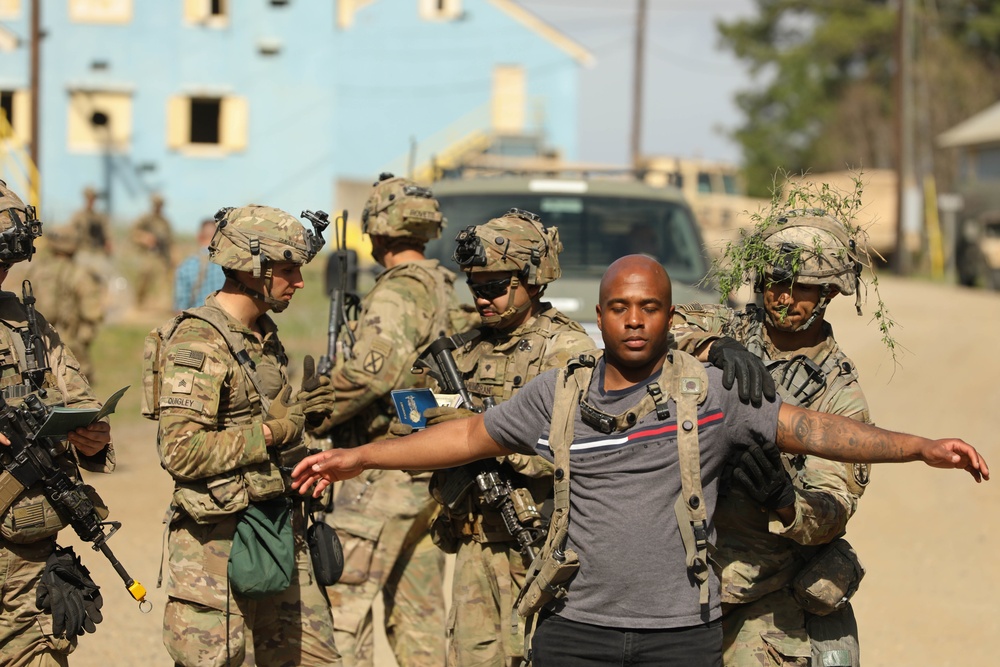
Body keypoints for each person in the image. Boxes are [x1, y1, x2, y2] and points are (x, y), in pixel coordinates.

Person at [290, 254, 989, 667]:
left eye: (649, 307)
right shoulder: (558, 393)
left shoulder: (710, 391)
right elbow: (469, 437)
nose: (632, 319)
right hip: (575, 629)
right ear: (598, 315)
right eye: (619, 307)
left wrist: (921, 447)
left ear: (667, 316)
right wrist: (361, 456)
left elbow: (814, 428)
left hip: (681, 635)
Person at [672, 209, 873, 666]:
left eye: (799, 287)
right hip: (681, 580)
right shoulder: (729, 329)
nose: (782, 297)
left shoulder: (838, 393)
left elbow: (833, 509)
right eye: (773, 282)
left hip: (764, 596)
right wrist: (712, 347)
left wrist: (785, 499)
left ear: (828, 292)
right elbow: (654, 322)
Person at [146, 205, 340, 666]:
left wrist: (305, 422)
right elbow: (180, 451)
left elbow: (264, 422)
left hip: (278, 529)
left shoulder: (262, 336)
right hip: (217, 546)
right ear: (253, 269)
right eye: (289, 270)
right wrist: (275, 431)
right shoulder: (199, 341)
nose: (299, 282)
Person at [295, 173, 470, 667]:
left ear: (377, 229)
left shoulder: (398, 291)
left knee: (338, 615)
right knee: (418, 617)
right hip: (423, 473)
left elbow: (372, 376)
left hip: (382, 475)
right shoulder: (442, 284)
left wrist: (310, 415)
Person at [421, 207, 595, 667]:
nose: (482, 298)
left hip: (537, 544)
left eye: (496, 287)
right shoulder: (468, 347)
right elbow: (423, 424)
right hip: (476, 543)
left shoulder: (567, 350)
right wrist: (428, 424)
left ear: (533, 280)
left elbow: (581, 449)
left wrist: (490, 439)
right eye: (475, 286)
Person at [0, 180, 115, 665]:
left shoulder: (25, 326)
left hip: (22, 552)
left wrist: (92, 440)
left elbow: (76, 400)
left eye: (7, 260)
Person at [26, 225, 105, 380]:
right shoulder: (79, 273)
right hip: (69, 347)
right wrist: (84, 340)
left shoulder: (37, 270)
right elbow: (92, 312)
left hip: (36, 346)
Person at [129, 192, 173, 309]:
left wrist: (172, 257)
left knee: (163, 281)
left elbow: (170, 241)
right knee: (144, 278)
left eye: (160, 204)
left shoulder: (165, 222)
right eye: (156, 204)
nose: (158, 206)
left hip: (161, 257)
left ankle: (162, 307)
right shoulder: (145, 219)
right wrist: (145, 238)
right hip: (146, 255)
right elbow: (133, 233)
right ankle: (138, 304)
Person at [173, 218, 226, 311]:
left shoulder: (185, 266)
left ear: (199, 237)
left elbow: (180, 308)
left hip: (197, 323)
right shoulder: (229, 264)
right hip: (226, 322)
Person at [68, 186, 112, 259]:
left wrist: (108, 243)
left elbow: (107, 235)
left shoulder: (100, 217)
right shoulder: (78, 216)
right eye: (89, 198)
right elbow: (71, 232)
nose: (91, 201)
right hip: (83, 251)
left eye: (93, 198)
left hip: (98, 252)